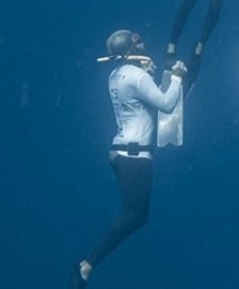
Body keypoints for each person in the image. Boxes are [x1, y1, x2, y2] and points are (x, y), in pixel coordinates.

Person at [70, 30, 184, 289]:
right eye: (139, 42)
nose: (144, 44)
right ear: (132, 49)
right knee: (134, 215)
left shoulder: (117, 74)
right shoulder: (136, 76)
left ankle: (88, 264)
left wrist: (149, 75)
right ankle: (86, 264)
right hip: (135, 155)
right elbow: (166, 104)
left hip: (121, 152)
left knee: (136, 215)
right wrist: (176, 78)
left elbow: (138, 101)